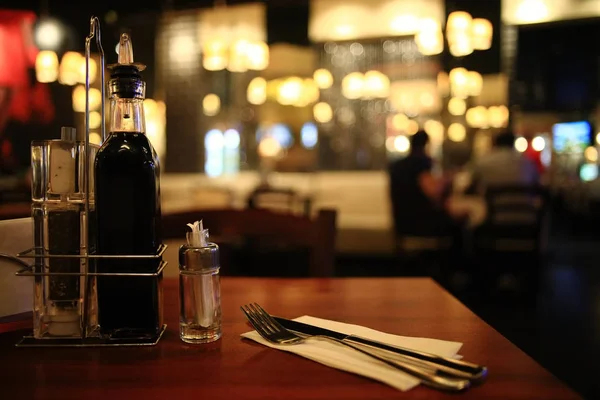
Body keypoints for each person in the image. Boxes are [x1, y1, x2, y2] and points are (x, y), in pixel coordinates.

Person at [388, 131, 460, 237]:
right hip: (421, 221)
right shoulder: (421, 163)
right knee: (459, 225)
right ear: (426, 144)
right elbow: (433, 192)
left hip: (401, 222)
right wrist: (447, 181)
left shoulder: (398, 166)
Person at [468, 131, 540, 194]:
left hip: (494, 208)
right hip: (526, 207)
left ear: (495, 143)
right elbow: (536, 183)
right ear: (513, 143)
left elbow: (473, 183)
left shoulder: (483, 161)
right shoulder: (528, 162)